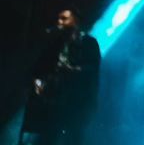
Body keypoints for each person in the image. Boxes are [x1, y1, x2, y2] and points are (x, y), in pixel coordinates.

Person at [21, 8, 101, 145]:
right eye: (58, 18)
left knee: (73, 139)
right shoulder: (56, 43)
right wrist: (38, 83)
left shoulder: (88, 42)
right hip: (54, 104)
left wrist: (72, 70)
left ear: (76, 21)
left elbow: (92, 68)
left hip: (77, 104)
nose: (59, 22)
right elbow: (38, 68)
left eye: (64, 19)